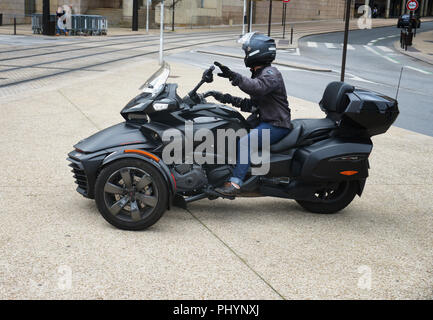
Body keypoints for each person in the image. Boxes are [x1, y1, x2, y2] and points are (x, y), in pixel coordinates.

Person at [210, 32, 292, 196]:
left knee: (245, 143)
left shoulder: (270, 74)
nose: (245, 55)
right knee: (231, 129)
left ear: (257, 52)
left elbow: (257, 87)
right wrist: (225, 98)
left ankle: (235, 183)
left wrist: (235, 76)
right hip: (265, 121)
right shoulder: (260, 74)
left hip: (276, 124)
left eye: (247, 51)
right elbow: (253, 105)